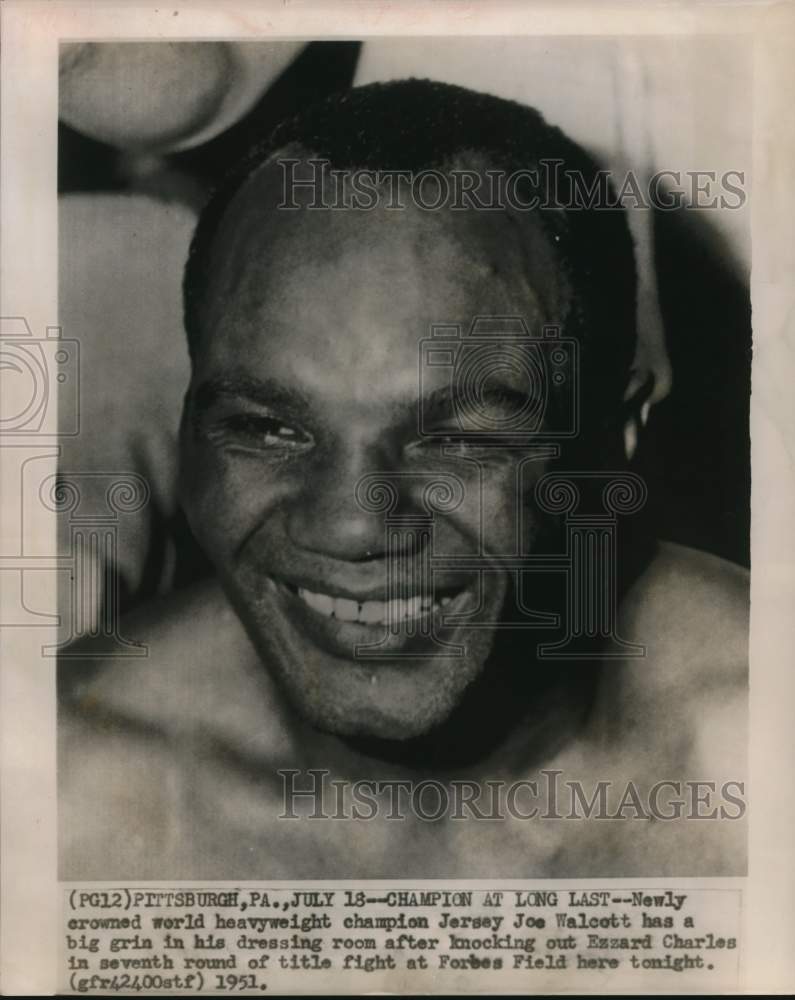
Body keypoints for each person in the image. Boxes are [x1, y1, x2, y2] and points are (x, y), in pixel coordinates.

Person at [58, 80, 748, 879]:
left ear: (613, 438)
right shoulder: (66, 788)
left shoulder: (756, 757)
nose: (351, 526)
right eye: (267, 428)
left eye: (454, 439)